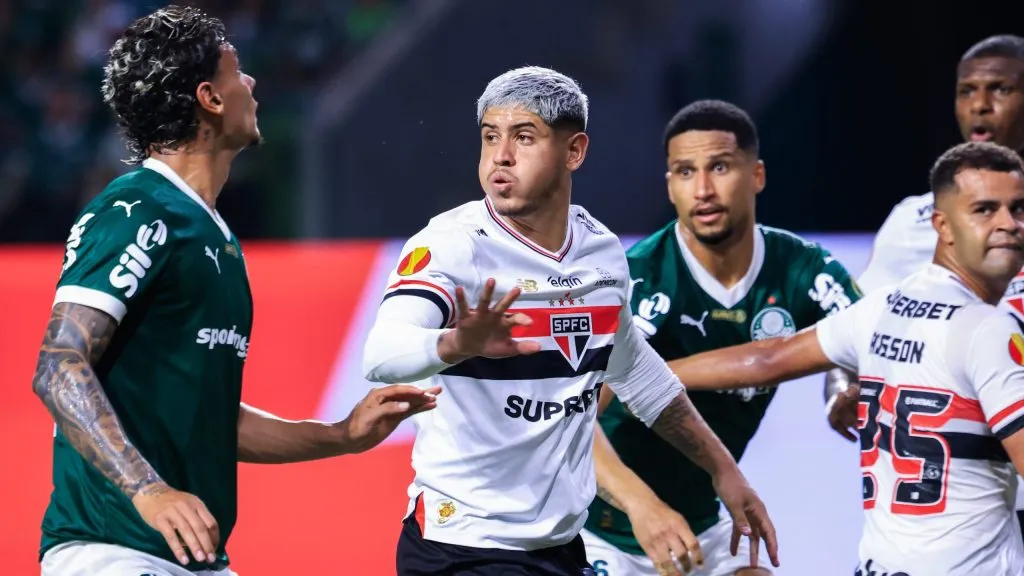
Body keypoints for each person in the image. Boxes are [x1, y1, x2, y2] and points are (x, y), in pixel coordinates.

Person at [31, 7, 438, 576]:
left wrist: (340, 435)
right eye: (236, 72)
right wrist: (149, 491)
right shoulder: (138, 209)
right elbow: (57, 364)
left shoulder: (212, 233)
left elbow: (212, 421)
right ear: (210, 99)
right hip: (113, 551)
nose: (250, 84)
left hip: (192, 559)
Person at [361, 66, 780, 576]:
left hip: (559, 547)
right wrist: (455, 343)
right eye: (490, 137)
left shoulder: (600, 254)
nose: (501, 156)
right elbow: (381, 354)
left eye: (524, 137)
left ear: (574, 151)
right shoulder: (451, 245)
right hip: (463, 546)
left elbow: (638, 374)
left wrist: (724, 472)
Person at [665, 141, 1024, 575]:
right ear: (943, 226)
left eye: (1018, 209)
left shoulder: (884, 306)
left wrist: (649, 375)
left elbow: (766, 358)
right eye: (985, 210)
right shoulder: (988, 328)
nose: (1009, 224)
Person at [578, 100, 861, 576]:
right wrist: (644, 507)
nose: (703, 190)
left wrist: (841, 385)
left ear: (758, 176)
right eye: (685, 172)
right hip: (604, 527)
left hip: (704, 524)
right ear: (670, 186)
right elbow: (573, 420)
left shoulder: (804, 270)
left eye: (721, 167)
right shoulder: (637, 280)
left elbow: (865, 333)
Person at [829, 32, 1024, 529]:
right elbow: (854, 328)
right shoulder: (914, 220)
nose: (979, 105)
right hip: (953, 496)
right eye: (966, 91)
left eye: (1000, 89)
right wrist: (842, 388)